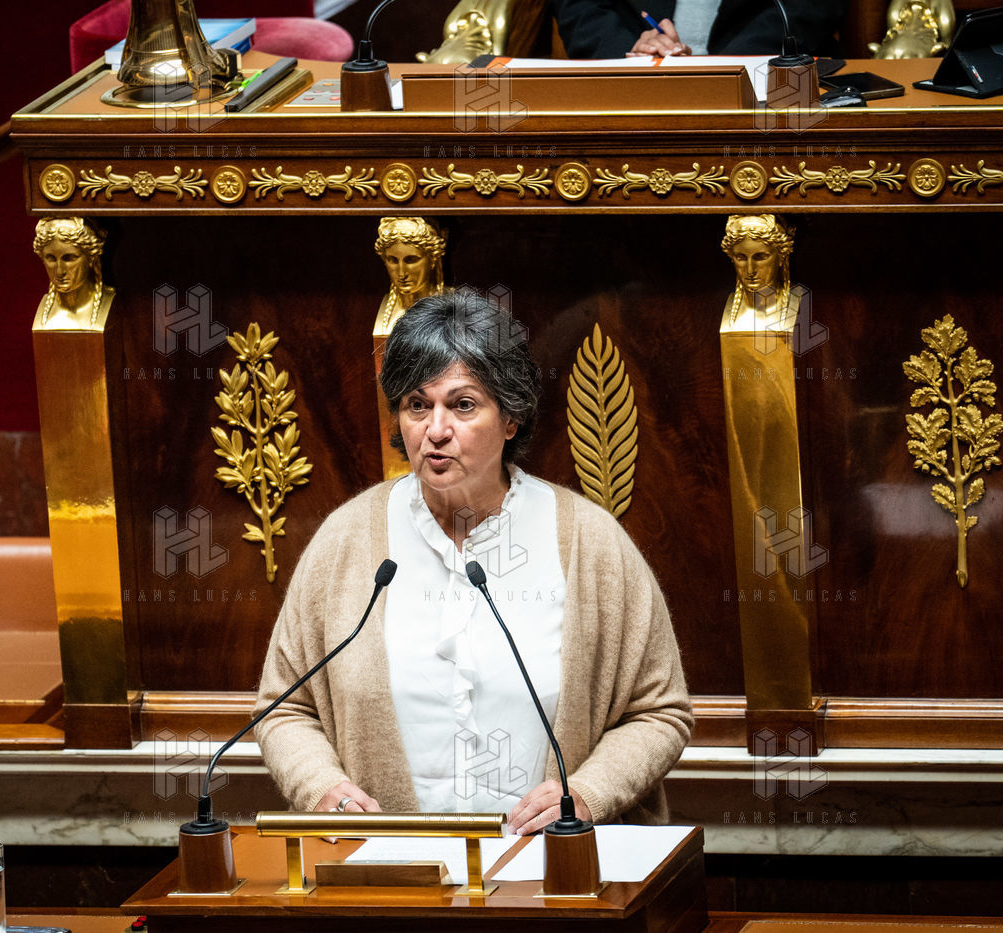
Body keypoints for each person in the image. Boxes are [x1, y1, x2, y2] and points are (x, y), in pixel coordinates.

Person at [254, 290, 693, 833]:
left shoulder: (590, 544)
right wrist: (320, 787)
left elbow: (659, 712)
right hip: (392, 868)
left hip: (549, 867)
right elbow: (284, 707)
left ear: (511, 418)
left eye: (463, 405)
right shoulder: (345, 541)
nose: (435, 430)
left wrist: (587, 793)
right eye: (417, 405)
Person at [553, 0, 847, 61]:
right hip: (627, 86)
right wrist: (630, 53)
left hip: (765, 80)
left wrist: (718, 72)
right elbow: (581, 7)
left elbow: (807, 7)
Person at [719, 213, 799, 333]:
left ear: (781, 256)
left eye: (760, 257)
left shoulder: (796, 300)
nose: (750, 270)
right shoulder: (729, 309)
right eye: (741, 258)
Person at [31, 216, 113, 330]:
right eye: (51, 259)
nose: (59, 271)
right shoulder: (44, 312)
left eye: (69, 258)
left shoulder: (111, 304)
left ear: (91, 257)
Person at [374, 217, 448, 336]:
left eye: (411, 260)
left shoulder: (453, 306)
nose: (402, 273)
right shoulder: (385, 315)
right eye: (393, 260)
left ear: (433, 258)